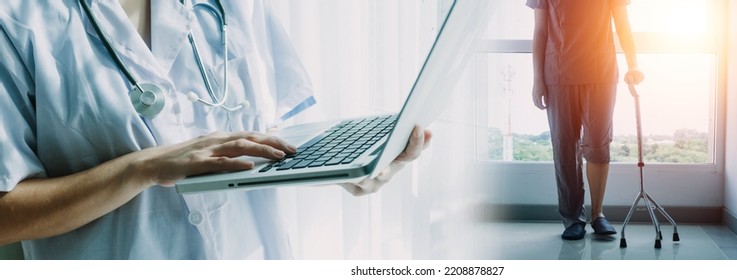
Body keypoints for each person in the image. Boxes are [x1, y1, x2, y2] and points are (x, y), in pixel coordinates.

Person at [0, 0, 429, 259]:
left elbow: (271, 139)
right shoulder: (16, 20)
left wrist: (345, 165)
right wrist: (141, 168)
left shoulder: (233, 5)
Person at [527, 0, 644, 240]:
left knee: (598, 144)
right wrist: (538, 78)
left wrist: (633, 65)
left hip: (600, 73)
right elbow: (540, 31)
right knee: (564, 147)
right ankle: (572, 218)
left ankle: (598, 214)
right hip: (558, 73)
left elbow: (623, 25)